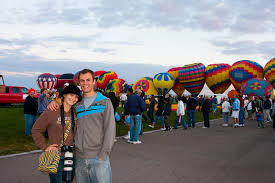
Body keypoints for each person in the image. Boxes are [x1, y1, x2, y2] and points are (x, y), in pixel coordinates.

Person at [48, 69, 116, 183]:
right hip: (79, 158)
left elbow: (110, 129)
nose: (85, 83)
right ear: (79, 83)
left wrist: (103, 154)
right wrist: (55, 103)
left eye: (88, 80)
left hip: (99, 158)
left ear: (94, 81)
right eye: (82, 81)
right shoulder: (77, 104)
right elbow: (64, 109)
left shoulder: (104, 102)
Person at [32, 84, 82, 183]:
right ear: (64, 95)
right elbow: (36, 130)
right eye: (71, 95)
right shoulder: (52, 111)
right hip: (57, 157)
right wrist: (45, 147)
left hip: (72, 156)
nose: (74, 98)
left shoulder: (76, 112)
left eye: (76, 96)